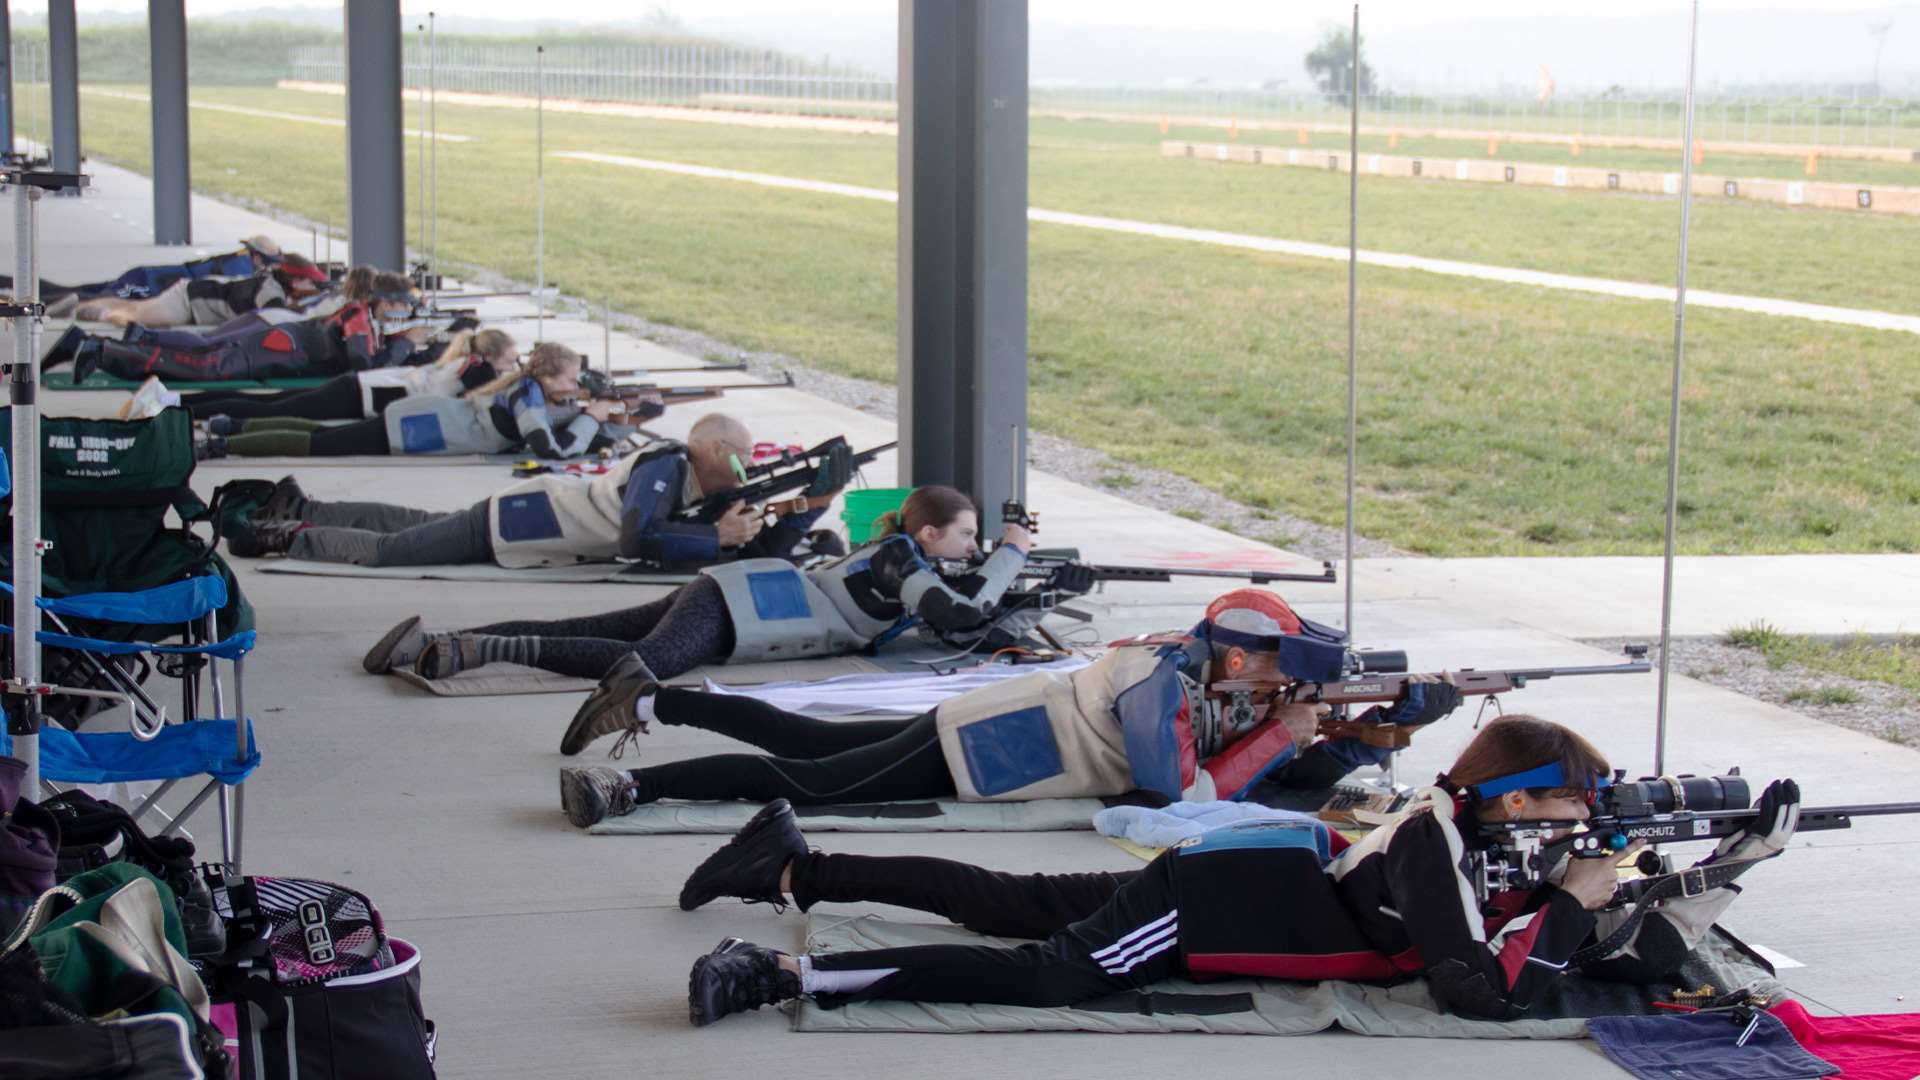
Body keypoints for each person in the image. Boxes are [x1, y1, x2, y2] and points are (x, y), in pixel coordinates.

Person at [676, 715, 1803, 1027]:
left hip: (1241, 872)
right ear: (1513, 800)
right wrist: (1569, 899)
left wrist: (1719, 867)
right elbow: (1486, 988)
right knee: (1051, 974)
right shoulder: (1436, 844)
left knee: (1013, 901)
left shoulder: (1461, 828)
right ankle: (779, 977)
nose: (1579, 824)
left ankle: (799, 863)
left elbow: (1578, 927)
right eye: (1566, 803)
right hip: (1208, 901)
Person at [552, 589, 1462, 825]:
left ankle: (658, 699)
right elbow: (1178, 797)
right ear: (1232, 654)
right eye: (1277, 671)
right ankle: (635, 790)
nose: (1281, 688)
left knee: (811, 737)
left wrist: (1392, 723)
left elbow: (1297, 751)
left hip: (1002, 729)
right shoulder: (1157, 685)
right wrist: (1281, 739)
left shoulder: (1209, 673)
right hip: (998, 748)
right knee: (816, 779)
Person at [361, 484, 1033, 692]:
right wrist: (1011, 555)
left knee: (591, 631)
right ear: (928, 534)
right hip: (739, 609)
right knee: (641, 669)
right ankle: (469, 656)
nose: (972, 548)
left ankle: (432, 644)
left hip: (732, 594)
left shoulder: (897, 552)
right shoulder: (899, 561)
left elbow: (958, 616)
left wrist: (1001, 568)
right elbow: (960, 612)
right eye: (967, 536)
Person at [223, 412, 829, 572]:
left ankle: (301, 507)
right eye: (744, 457)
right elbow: (635, 539)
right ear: (712, 454)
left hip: (526, 519)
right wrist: (712, 535)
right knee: (394, 550)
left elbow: (755, 560)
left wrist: (810, 507)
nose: (752, 467)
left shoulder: (702, 486)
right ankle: (287, 536)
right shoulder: (665, 465)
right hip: (518, 521)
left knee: (409, 520)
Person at [199, 337, 615, 461]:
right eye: (572, 377)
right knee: (319, 444)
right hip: (419, 426)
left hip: (422, 419)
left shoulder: (530, 389)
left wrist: (606, 419)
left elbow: (556, 425)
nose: (576, 384)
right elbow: (550, 449)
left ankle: (232, 427)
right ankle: (225, 443)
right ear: (547, 376)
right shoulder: (527, 396)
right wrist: (593, 417)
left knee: (321, 433)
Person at [42, 267, 422, 384]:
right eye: (402, 306)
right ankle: (101, 351)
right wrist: (404, 344)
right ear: (385, 301)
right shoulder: (359, 318)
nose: (403, 311)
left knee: (202, 353)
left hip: (284, 340)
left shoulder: (364, 316)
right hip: (283, 344)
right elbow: (364, 367)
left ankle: (94, 345)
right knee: (205, 365)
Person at [114, 328, 518, 425]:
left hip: (357, 391)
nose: (512, 368)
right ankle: (168, 404)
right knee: (263, 411)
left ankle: (172, 401)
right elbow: (486, 389)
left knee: (264, 404)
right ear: (492, 357)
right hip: (355, 395)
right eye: (511, 360)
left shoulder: (464, 362)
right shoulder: (474, 369)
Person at [12, 235, 282, 313]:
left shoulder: (239, 258)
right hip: (149, 285)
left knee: (83, 290)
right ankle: (34, 304)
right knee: (86, 297)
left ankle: (18, 292)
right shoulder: (241, 267)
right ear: (258, 257)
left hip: (148, 278)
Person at [69, 254, 330, 327]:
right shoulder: (271, 293)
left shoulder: (272, 284)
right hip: (187, 303)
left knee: (136, 308)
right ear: (296, 282)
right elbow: (279, 320)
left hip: (191, 296)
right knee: (135, 319)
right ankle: (98, 314)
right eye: (313, 283)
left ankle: (85, 305)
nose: (314, 287)